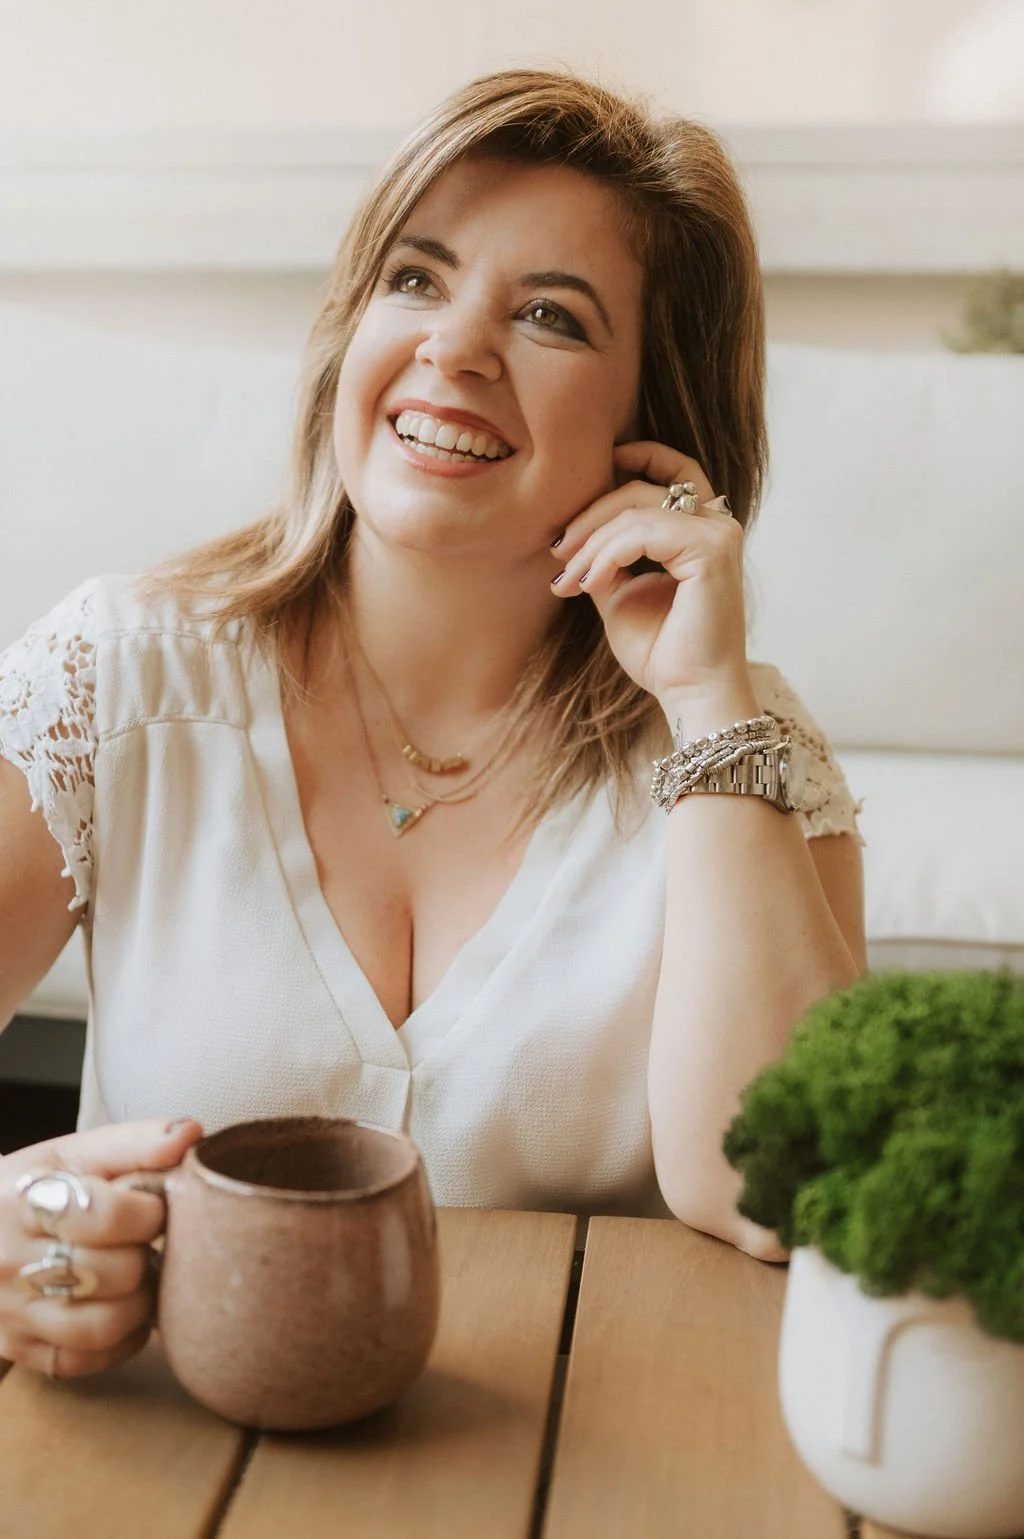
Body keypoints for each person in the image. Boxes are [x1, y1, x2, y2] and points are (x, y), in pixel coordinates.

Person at [0, 69, 866, 1382]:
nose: (454, 348)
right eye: (416, 278)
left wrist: (703, 703)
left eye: (552, 317)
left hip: (598, 1466)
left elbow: (788, 1194)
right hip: (172, 1455)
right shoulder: (119, 679)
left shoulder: (741, 744)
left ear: (654, 423)